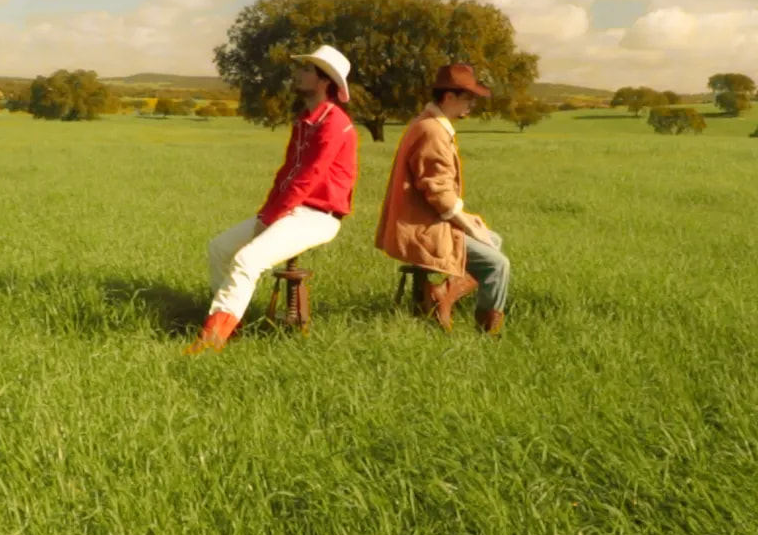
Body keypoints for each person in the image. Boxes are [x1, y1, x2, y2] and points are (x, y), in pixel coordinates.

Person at [185, 45, 359, 355]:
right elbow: (286, 174)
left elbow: (310, 176)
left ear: (324, 81)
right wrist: (267, 213)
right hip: (291, 210)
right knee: (220, 248)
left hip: (318, 215)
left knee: (246, 260)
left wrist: (271, 218)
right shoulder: (305, 119)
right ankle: (231, 325)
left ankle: (211, 342)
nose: (298, 74)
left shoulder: (334, 122)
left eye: (306, 70)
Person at [375, 63, 513, 334]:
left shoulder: (427, 123)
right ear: (448, 97)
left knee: (493, 240)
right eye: (467, 97)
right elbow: (437, 192)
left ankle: (443, 294)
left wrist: (466, 217)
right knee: (498, 264)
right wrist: (467, 225)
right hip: (419, 228)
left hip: (423, 219)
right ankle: (488, 334)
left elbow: (438, 189)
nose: (471, 104)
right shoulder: (433, 131)